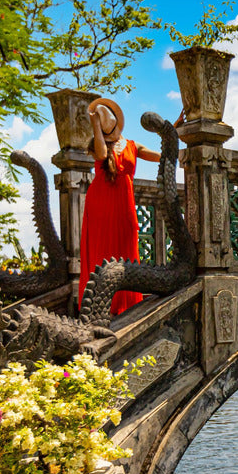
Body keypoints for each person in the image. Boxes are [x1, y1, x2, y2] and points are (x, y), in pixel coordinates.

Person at [78, 97, 165, 316]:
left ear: (116, 121)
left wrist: (173, 132)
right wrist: (96, 126)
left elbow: (161, 156)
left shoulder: (133, 146)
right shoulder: (98, 143)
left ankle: (126, 304)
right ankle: (99, 304)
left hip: (124, 203)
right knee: (101, 252)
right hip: (100, 204)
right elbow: (101, 155)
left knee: (126, 250)